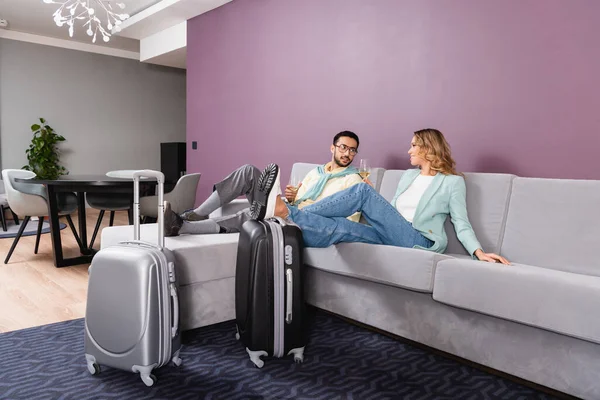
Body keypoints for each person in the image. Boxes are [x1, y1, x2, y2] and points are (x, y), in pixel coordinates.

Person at [250, 128, 510, 265]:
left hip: (417, 239)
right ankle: (287, 218)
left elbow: (461, 222)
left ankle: (285, 212)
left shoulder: (452, 183)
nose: (408, 150)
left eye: (413, 145)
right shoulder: (408, 176)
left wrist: (480, 253)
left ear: (428, 148)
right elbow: (394, 210)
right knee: (341, 227)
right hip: (390, 233)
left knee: (363, 191)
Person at [163, 130, 366, 237]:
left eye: (352, 150)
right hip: (291, 207)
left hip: (305, 220)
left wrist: (301, 209)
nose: (347, 153)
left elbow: (350, 218)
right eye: (343, 147)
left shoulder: (354, 180)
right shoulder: (316, 172)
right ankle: (196, 214)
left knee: (254, 213)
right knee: (248, 171)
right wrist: (295, 196)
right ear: (333, 148)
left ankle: (182, 226)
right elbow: (300, 195)